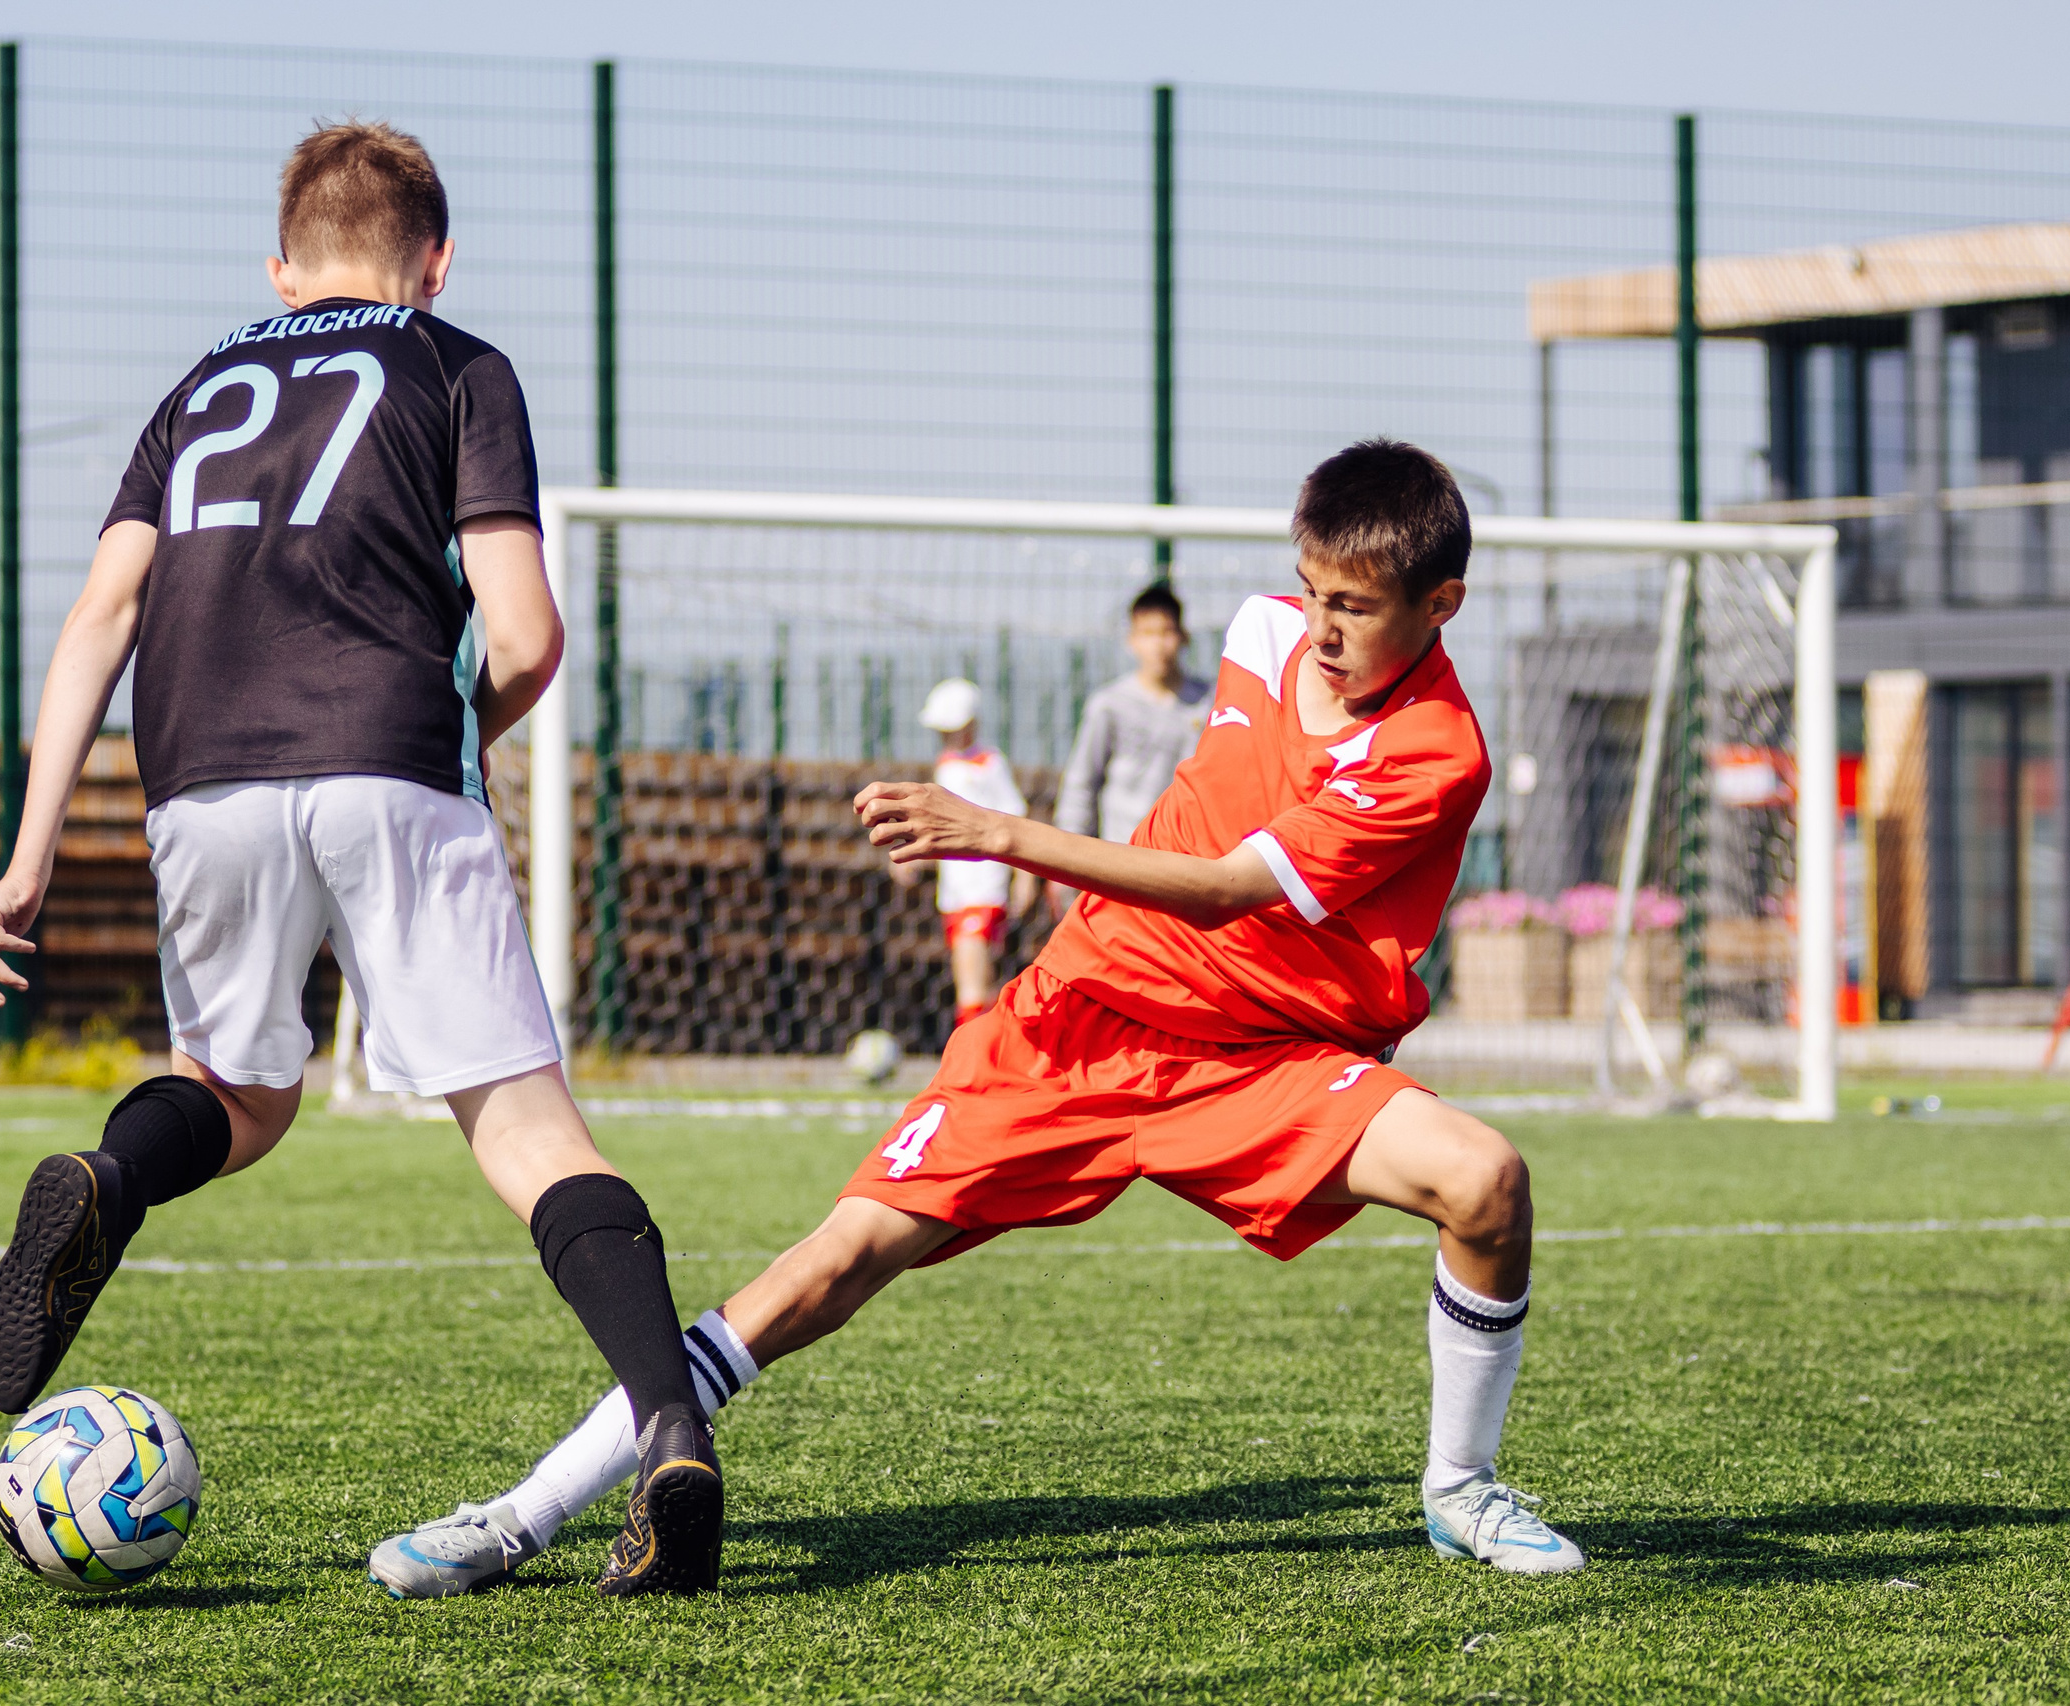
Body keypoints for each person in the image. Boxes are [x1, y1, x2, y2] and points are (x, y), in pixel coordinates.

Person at [377, 438, 1583, 1592]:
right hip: (1077, 1021)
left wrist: (998, 831)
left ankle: (1461, 1486)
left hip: (1261, 1064)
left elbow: (1226, 888)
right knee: (827, 1266)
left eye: (1354, 607)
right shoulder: (1262, 632)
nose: (1319, 626)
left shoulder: (1435, 753)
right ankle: (520, 1514)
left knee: (1484, 1180)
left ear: (1441, 604)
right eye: (1312, 589)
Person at [0, 121, 722, 1597]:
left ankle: (111, 1174)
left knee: (240, 1095)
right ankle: (670, 1428)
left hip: (201, 775)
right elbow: (528, 630)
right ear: (436, 260)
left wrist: (22, 862)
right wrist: (460, 729)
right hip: (387, 753)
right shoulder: (458, 365)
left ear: (281, 269)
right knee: (529, 1132)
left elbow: (100, 619)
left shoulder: (199, 387)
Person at [1048, 581, 1210, 916]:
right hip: (1122, 862)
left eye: (1166, 632)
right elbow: (1081, 783)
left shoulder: (1210, 702)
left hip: (1188, 864)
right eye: (1147, 633)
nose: (1158, 644)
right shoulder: (1109, 705)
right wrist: (1064, 861)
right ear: (1131, 640)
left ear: (1183, 637)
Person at [900, 678, 1039, 1029]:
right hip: (955, 892)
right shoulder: (946, 765)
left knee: (971, 979)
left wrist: (1024, 878)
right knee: (978, 977)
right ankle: (992, 1044)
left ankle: (970, 1049)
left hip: (984, 887)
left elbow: (1016, 818)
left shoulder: (989, 763)